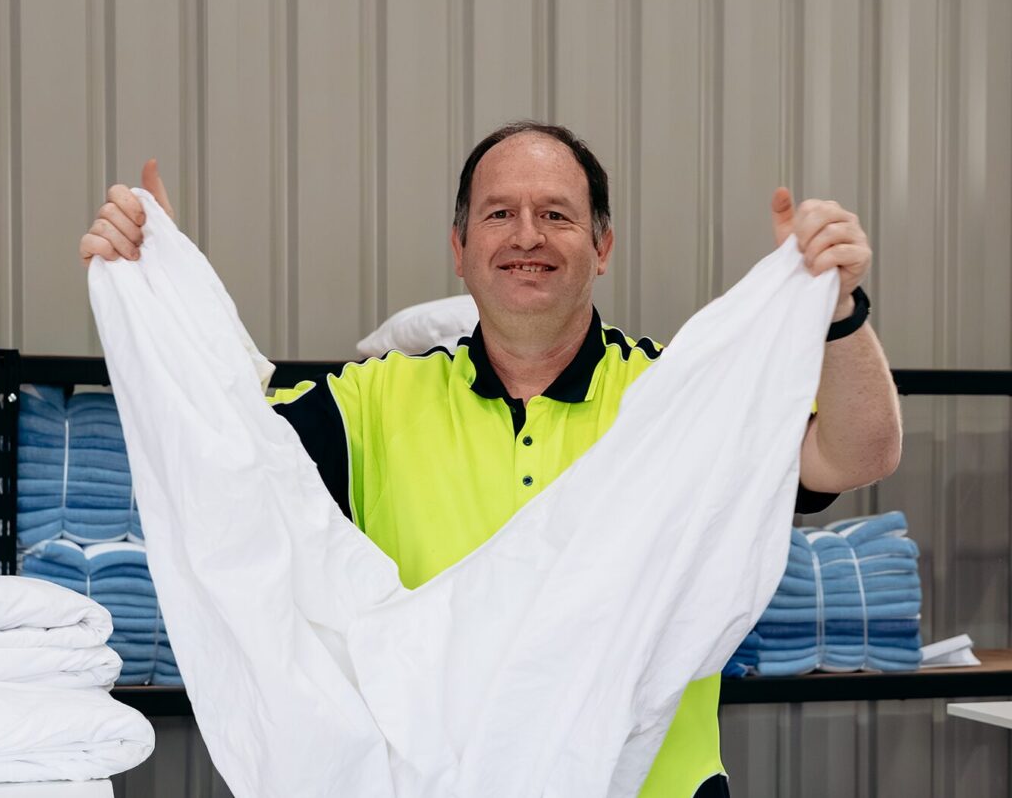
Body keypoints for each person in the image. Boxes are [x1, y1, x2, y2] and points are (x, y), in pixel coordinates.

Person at [80, 121, 902, 797]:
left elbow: (858, 451)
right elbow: (233, 467)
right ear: (461, 244)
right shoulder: (375, 402)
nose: (527, 236)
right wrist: (163, 295)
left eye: (556, 214)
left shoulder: (672, 402)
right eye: (500, 214)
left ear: (603, 244)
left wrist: (837, 308)